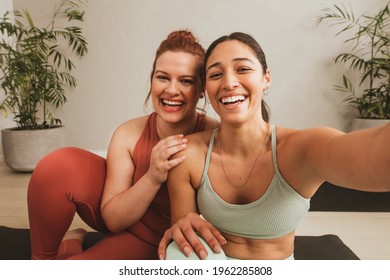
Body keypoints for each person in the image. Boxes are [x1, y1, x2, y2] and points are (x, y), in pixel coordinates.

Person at [157, 32, 390, 260]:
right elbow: (185, 229)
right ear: (206, 89)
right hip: (218, 267)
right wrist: (182, 229)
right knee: (180, 252)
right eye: (216, 74)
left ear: (266, 78)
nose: (229, 82)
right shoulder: (188, 153)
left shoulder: (299, 149)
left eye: (243, 69)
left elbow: (374, 155)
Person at [27, 30, 218, 260]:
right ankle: (41, 262)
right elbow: (114, 221)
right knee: (56, 167)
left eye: (185, 81)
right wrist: (153, 176)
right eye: (163, 77)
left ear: (201, 90)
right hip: (135, 233)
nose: (171, 90)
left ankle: (70, 247)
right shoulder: (128, 134)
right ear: (152, 80)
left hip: (184, 242)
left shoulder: (216, 135)